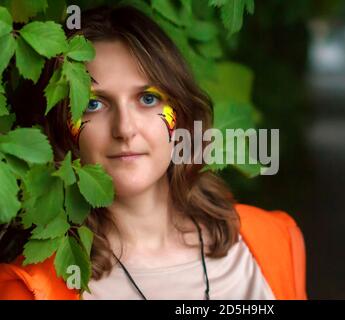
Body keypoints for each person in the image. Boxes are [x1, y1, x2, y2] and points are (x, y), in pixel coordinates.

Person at [0, 5, 306, 300]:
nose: (125, 128)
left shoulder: (276, 239)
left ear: (183, 114)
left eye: (147, 99)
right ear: (60, 129)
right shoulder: (32, 289)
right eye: (92, 104)